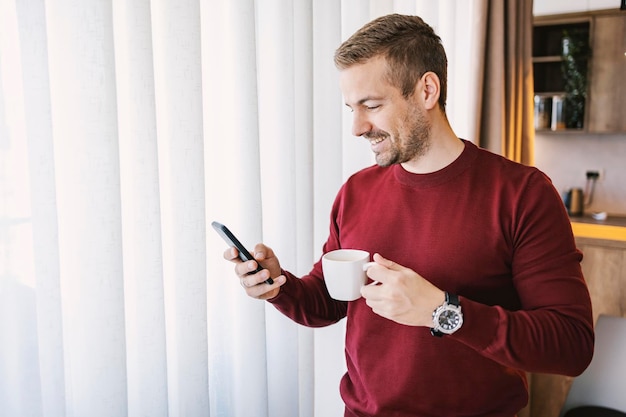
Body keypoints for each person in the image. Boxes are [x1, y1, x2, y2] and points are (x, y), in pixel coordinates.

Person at [223, 14, 594, 417]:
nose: (357, 127)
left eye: (372, 105)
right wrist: (279, 286)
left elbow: (571, 346)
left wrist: (442, 311)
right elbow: (331, 301)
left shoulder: (523, 193)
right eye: (351, 108)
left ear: (427, 90)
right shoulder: (357, 191)